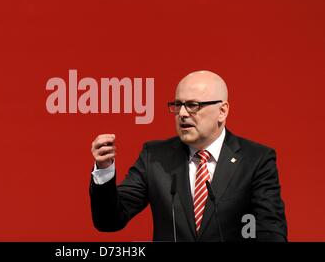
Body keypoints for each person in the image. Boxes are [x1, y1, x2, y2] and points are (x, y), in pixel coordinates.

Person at [89, 70, 287, 242]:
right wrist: (104, 170)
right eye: (178, 105)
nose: (182, 113)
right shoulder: (155, 157)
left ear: (222, 111)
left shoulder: (256, 159)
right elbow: (109, 221)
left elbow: (271, 233)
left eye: (193, 105)